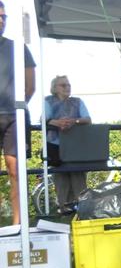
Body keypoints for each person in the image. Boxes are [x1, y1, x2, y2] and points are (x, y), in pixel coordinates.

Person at [0, 0, 36, 224]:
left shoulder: (18, 47)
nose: (1, 20)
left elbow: (30, 86)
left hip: (14, 117)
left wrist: (17, 106)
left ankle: (18, 224)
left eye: (4, 16)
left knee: (15, 169)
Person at [44, 76, 91, 214]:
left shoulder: (77, 101)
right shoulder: (48, 101)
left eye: (68, 85)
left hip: (75, 145)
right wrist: (57, 123)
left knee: (79, 180)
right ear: (54, 88)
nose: (67, 87)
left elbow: (88, 119)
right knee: (61, 180)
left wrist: (74, 121)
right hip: (55, 145)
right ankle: (64, 210)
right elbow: (44, 119)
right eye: (63, 85)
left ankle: (82, 211)